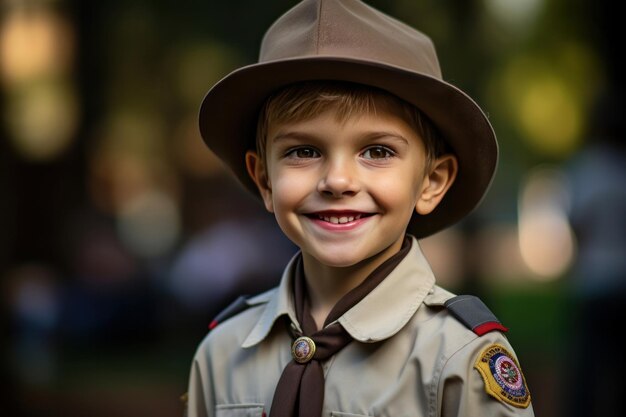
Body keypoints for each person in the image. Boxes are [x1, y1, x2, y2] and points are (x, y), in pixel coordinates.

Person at [185, 1, 534, 416]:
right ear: (264, 179)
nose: (337, 180)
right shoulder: (221, 353)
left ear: (431, 181)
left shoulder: (457, 357)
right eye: (304, 151)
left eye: (377, 151)